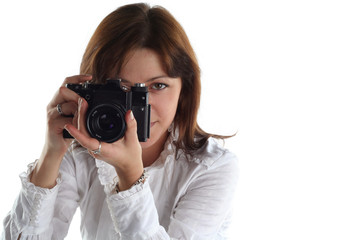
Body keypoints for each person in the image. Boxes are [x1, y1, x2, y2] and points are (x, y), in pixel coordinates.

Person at [2, 3, 239, 239]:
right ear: (95, 89)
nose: (139, 108)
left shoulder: (212, 168)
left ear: (184, 91)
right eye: (122, 88)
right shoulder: (81, 153)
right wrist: (51, 154)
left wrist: (130, 176)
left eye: (158, 86)